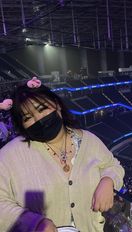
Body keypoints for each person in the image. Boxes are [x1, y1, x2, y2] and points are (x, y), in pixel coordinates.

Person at [0, 78, 125, 232]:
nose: (38, 119)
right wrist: (33, 223)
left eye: (42, 109)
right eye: (27, 118)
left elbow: (113, 165)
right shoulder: (10, 155)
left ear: (57, 105)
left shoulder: (88, 140)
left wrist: (108, 180)